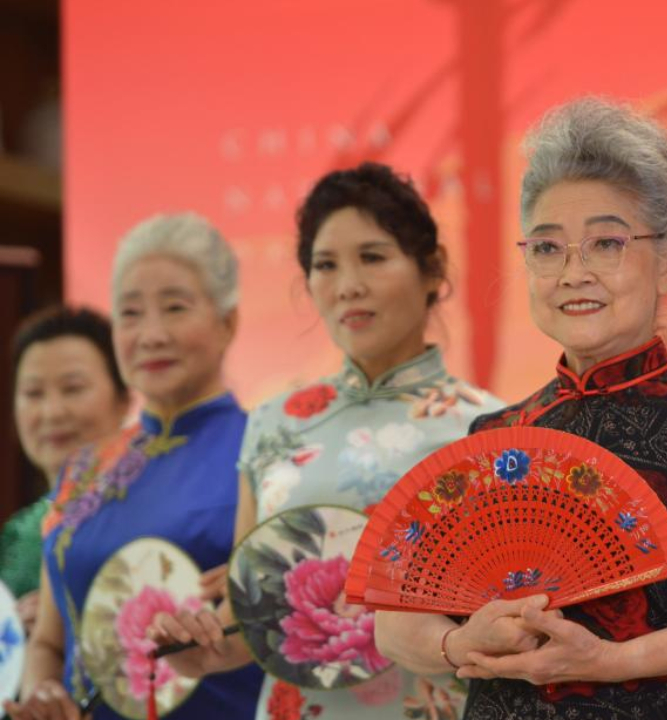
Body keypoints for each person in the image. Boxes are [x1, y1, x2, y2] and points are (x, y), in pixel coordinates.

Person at [375, 97, 667, 720]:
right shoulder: (498, 436)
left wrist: (613, 661)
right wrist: (458, 644)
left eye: (606, 243)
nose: (573, 272)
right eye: (547, 247)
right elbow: (397, 616)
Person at [153, 162, 503, 719]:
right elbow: (255, 619)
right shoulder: (273, 422)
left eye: (373, 256)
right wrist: (204, 652)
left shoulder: (492, 428)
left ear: (432, 270)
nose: (348, 286)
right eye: (325, 265)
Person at [4, 213, 263, 720]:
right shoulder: (83, 468)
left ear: (226, 322)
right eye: (130, 313)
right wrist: (43, 695)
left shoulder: (266, 448)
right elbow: (50, 645)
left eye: (174, 308)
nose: (150, 334)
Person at [3, 307, 130, 633]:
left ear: (123, 398)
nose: (52, 412)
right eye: (33, 393)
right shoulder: (15, 535)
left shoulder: (152, 514)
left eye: (73, 388)